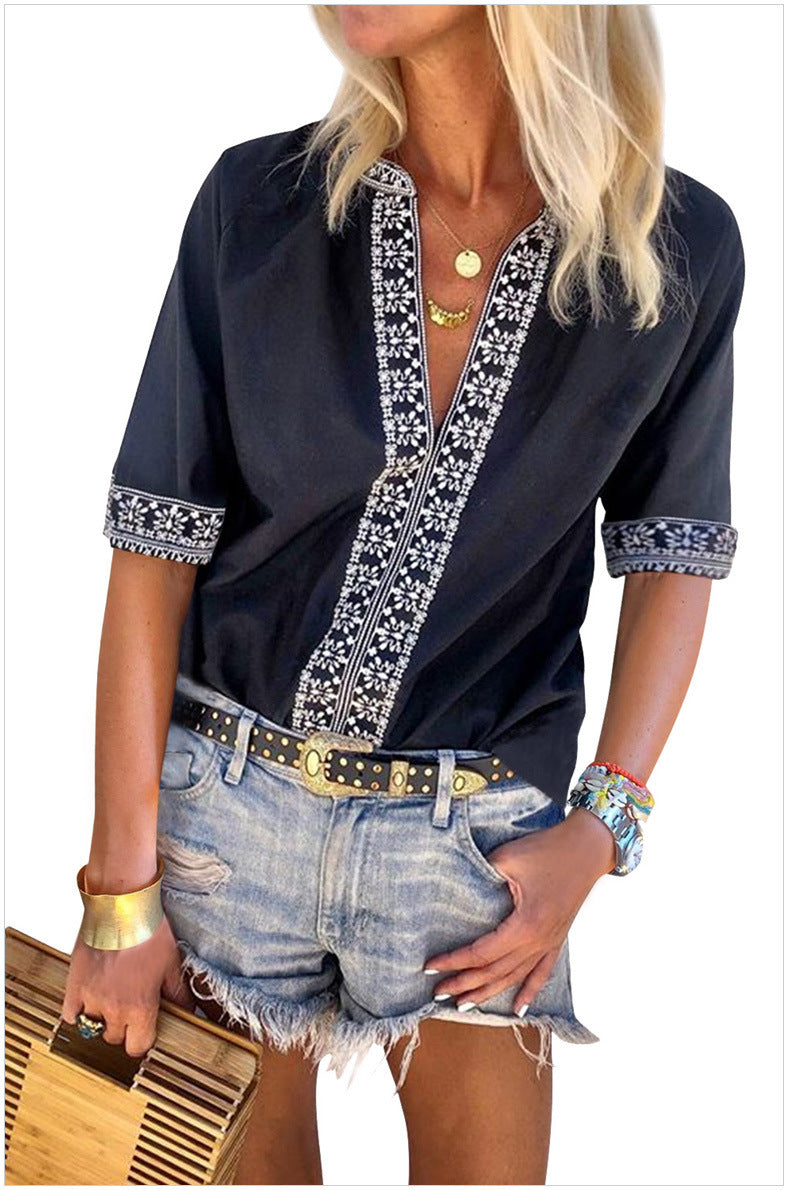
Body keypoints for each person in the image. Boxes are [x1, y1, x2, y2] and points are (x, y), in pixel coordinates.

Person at [61, 4, 746, 1185]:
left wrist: (603, 826)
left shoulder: (669, 245)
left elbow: (672, 551)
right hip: (224, 821)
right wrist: (120, 895)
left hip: (475, 845)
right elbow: (152, 548)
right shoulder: (256, 207)